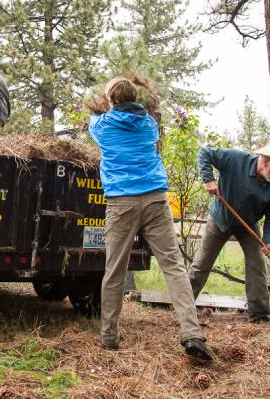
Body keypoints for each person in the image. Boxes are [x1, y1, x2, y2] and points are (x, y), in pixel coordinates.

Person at [89, 77, 211, 360]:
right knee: (173, 266)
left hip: (122, 203)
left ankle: (109, 339)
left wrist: (103, 105)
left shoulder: (103, 126)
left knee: (115, 269)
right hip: (157, 200)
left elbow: (94, 119)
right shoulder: (150, 126)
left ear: (112, 101)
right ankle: (192, 333)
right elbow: (142, 118)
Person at [189, 144, 270, 323]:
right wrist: (208, 179)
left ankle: (259, 316)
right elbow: (204, 152)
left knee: (257, 266)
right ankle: (184, 309)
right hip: (220, 219)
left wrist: (269, 240)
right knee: (202, 263)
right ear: (266, 162)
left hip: (248, 226)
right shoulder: (236, 159)